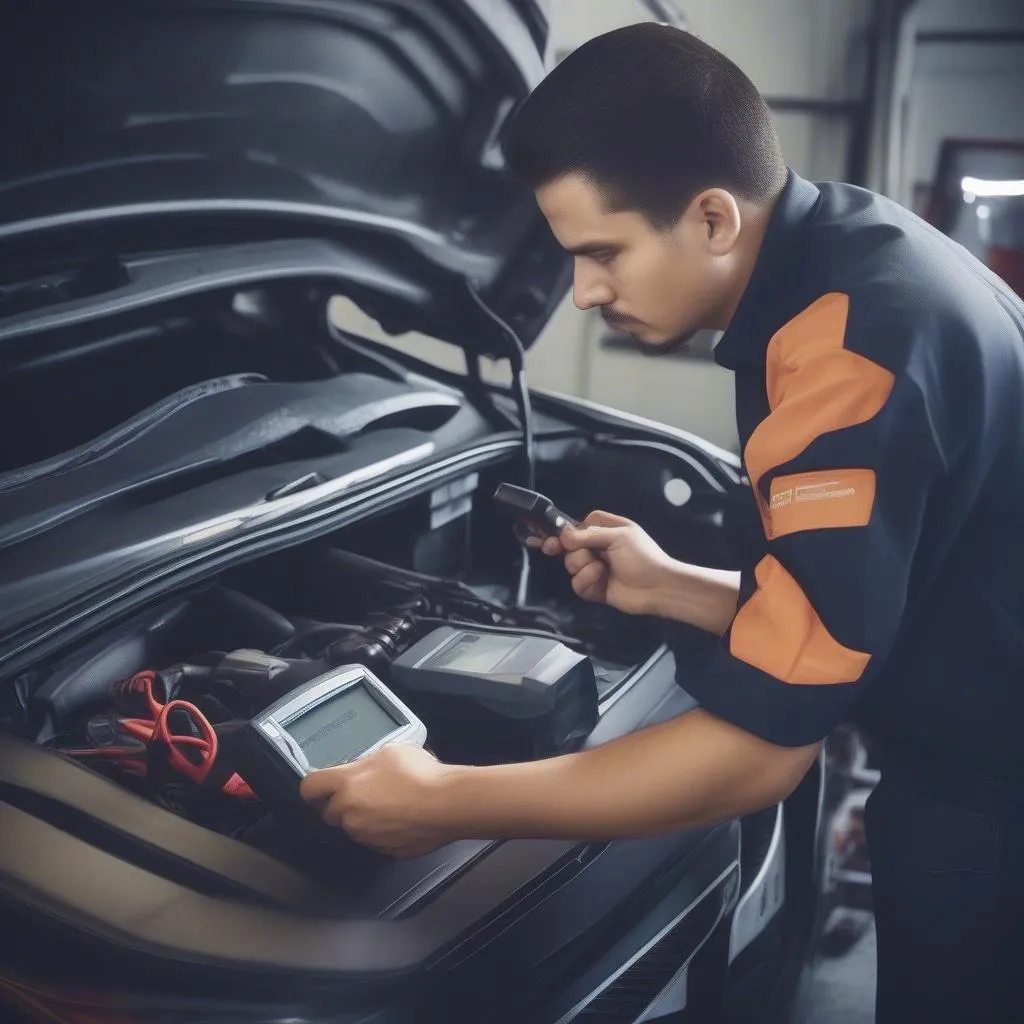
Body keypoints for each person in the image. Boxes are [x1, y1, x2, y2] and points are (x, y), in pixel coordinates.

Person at [300, 23, 1024, 1022]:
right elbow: (869, 595)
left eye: (602, 252)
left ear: (713, 218)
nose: (585, 292)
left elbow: (759, 754)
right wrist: (671, 586)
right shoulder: (860, 255)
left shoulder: (842, 358)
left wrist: (441, 800)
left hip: (989, 804)